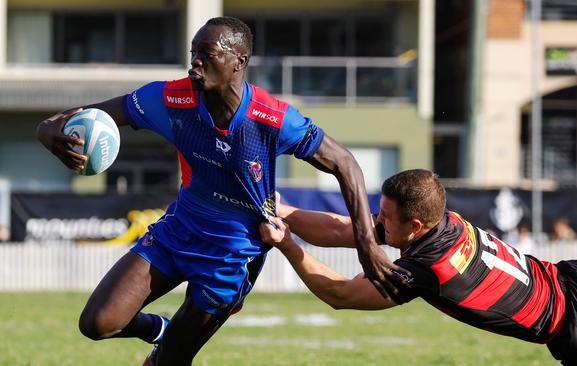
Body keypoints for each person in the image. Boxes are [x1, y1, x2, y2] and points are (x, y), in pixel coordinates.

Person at [36, 17, 404, 366]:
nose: (195, 63)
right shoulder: (168, 99)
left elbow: (346, 164)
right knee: (97, 323)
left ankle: (171, 344)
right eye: (193, 53)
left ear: (238, 61)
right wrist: (49, 127)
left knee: (171, 361)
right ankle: (161, 328)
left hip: (233, 254)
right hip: (178, 232)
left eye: (207, 54)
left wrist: (368, 246)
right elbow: (85, 117)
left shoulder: (273, 119)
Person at [260, 169, 577, 366]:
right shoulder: (444, 219)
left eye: (386, 218)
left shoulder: (428, 268)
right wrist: (286, 211)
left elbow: (341, 294)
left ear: (413, 226)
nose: (378, 223)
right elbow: (345, 229)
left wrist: (287, 244)